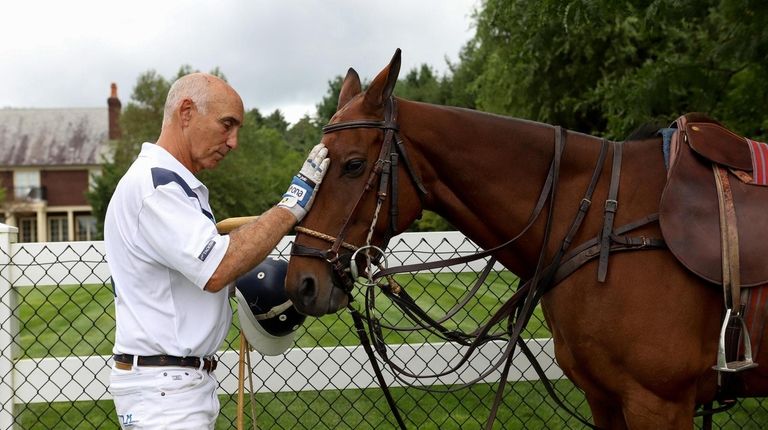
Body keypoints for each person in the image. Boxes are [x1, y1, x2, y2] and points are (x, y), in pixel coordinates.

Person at [104, 72, 329, 429]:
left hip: (174, 386)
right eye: (227, 125)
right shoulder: (157, 186)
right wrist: (293, 203)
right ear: (187, 112)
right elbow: (217, 267)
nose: (234, 141)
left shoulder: (171, 183)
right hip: (166, 392)